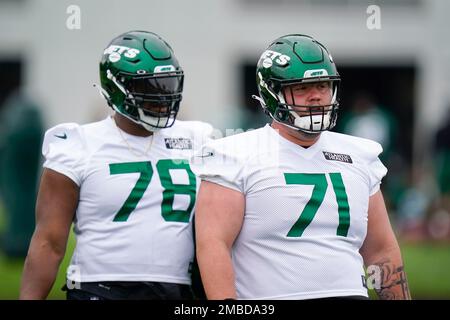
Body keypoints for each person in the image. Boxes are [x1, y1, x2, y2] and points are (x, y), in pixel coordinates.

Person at [192, 34, 411, 300]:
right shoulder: (234, 154)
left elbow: (381, 251)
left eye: (322, 85)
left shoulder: (359, 154)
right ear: (272, 93)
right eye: (302, 88)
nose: (316, 96)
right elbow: (213, 245)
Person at [20, 31, 212, 300]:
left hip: (176, 288)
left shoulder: (200, 138)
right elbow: (48, 243)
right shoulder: (77, 143)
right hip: (99, 287)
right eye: (148, 88)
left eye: (167, 84)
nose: (162, 97)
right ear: (115, 89)